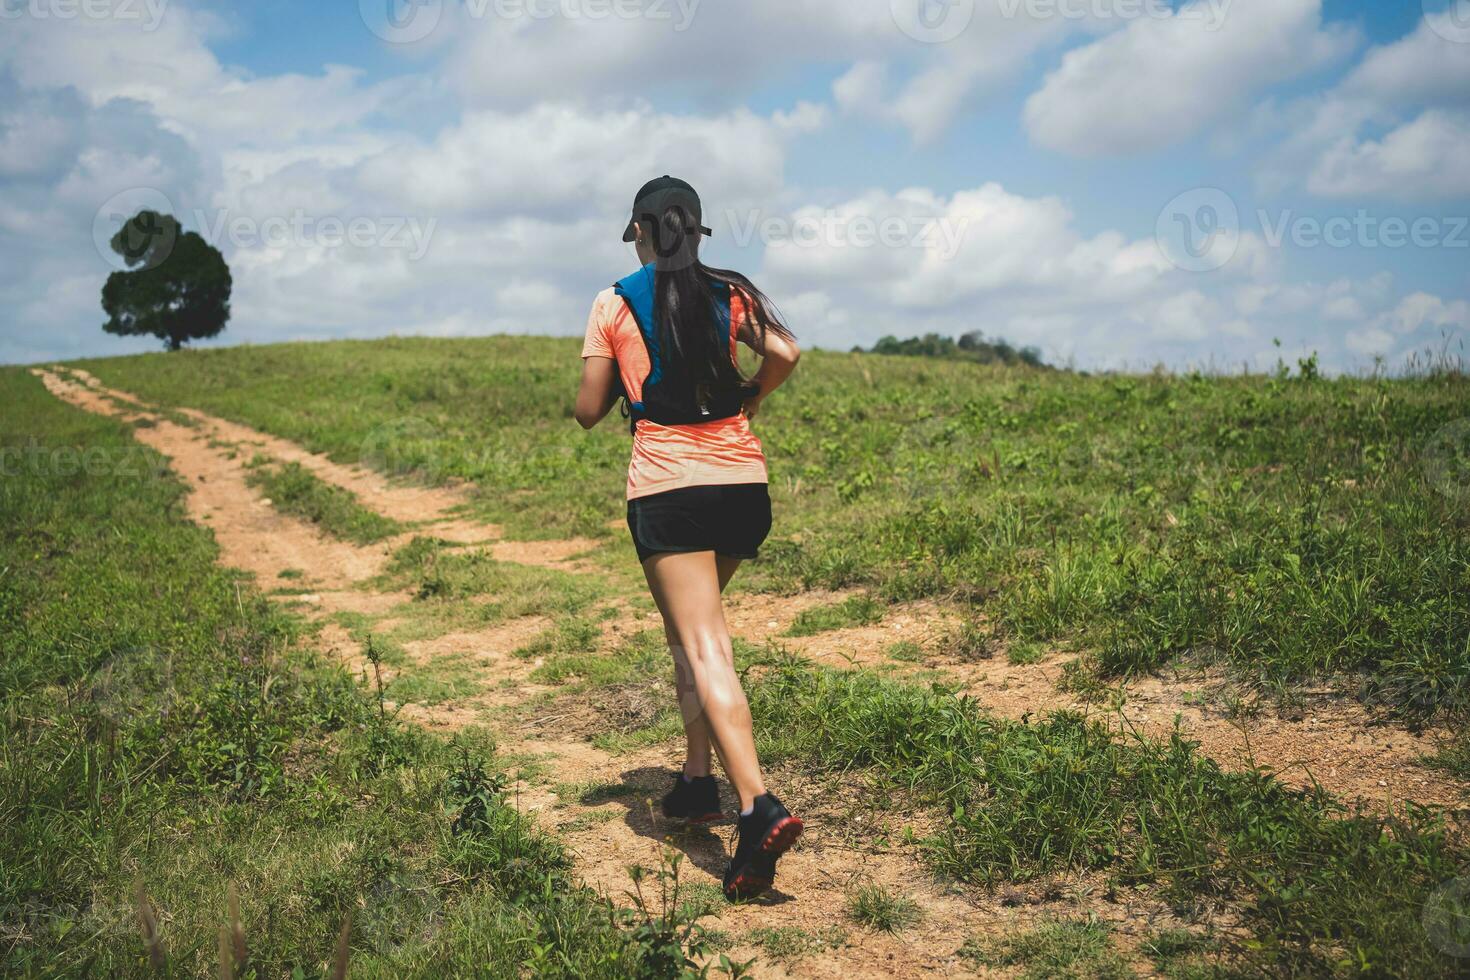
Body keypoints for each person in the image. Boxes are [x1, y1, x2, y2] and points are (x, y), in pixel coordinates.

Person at [574, 176, 804, 900]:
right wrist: (749, 398)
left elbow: (587, 410)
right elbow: (787, 354)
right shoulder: (728, 293)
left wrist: (616, 388)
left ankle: (757, 803)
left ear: (638, 233)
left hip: (671, 489)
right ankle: (696, 784)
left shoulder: (615, 301)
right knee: (689, 631)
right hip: (742, 487)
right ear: (697, 234)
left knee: (705, 645)